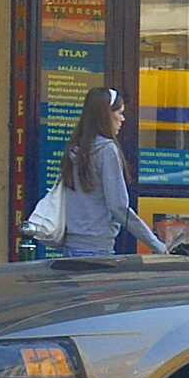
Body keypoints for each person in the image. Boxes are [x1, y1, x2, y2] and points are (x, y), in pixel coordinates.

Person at [60, 87, 167, 257]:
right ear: (106, 114)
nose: (123, 119)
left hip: (71, 244)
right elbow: (118, 206)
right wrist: (155, 243)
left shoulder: (75, 148)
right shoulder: (106, 149)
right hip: (97, 247)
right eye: (120, 112)